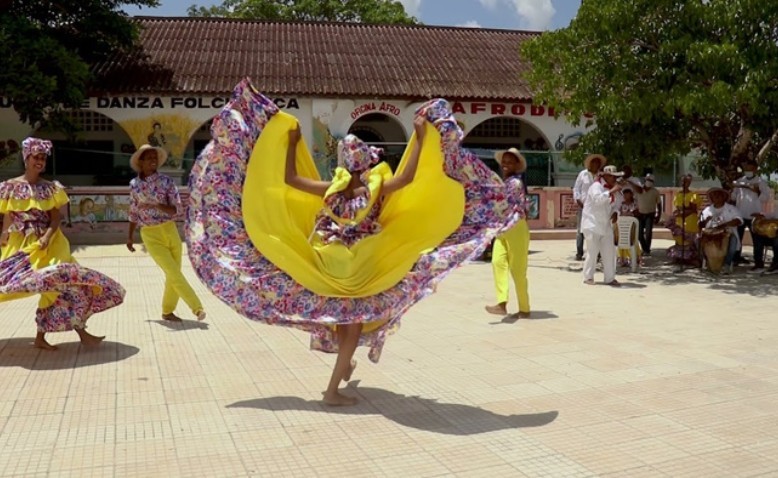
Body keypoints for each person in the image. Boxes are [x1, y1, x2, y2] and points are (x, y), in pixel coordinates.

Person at [185, 80, 516, 407]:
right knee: (353, 328)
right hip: (363, 268)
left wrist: (291, 142)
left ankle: (344, 368)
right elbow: (409, 178)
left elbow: (289, 179)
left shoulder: (331, 188)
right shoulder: (374, 189)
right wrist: (418, 135)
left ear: (344, 162)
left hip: (328, 263)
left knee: (346, 326)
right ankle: (332, 390)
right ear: (367, 162)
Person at [0, 138, 125, 350]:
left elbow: (55, 218)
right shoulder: (9, 187)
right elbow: (8, 218)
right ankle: (68, 335)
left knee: (64, 284)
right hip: (22, 248)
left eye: (43, 157)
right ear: (26, 158)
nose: (40, 161)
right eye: (36, 157)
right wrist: (3, 238)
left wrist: (47, 238)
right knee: (7, 285)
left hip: (50, 244)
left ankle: (71, 334)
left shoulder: (50, 188)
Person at [127, 145, 206, 323]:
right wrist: (130, 236)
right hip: (150, 234)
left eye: (155, 157)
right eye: (149, 157)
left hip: (170, 230)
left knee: (173, 273)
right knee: (173, 272)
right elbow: (133, 211)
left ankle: (167, 311)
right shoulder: (134, 185)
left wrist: (157, 205)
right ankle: (197, 307)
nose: (153, 160)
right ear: (141, 161)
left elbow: (175, 210)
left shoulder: (167, 182)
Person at [484, 148, 531, 318]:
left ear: (517, 165)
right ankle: (502, 303)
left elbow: (505, 206)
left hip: (515, 227)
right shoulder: (505, 182)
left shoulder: (515, 184)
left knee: (518, 271)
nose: (505, 164)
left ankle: (524, 309)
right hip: (503, 228)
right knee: (497, 262)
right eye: (504, 161)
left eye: (510, 162)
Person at [582, 165, 623, 286]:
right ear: (605, 176)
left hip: (605, 224)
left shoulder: (615, 189)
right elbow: (597, 200)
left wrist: (616, 212)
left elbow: (618, 204)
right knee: (592, 251)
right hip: (592, 223)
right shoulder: (596, 186)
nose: (615, 179)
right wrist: (611, 191)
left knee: (609, 251)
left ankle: (610, 278)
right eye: (612, 176)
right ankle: (588, 277)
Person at [730, 159, 770, 268]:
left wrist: (757, 191)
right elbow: (733, 197)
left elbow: (766, 198)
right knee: (738, 238)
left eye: (751, 169)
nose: (748, 170)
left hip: (754, 215)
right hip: (740, 214)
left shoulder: (761, 182)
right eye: (747, 168)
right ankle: (735, 259)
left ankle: (758, 263)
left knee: (757, 241)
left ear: (755, 169)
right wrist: (732, 189)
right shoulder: (739, 181)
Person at [698, 187, 743, 275]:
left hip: (727, 233)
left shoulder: (731, 209)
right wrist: (705, 221)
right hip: (710, 234)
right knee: (699, 240)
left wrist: (724, 225)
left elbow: (738, 220)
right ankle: (707, 262)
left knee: (733, 241)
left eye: (719, 195)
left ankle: (727, 264)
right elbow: (700, 224)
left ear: (724, 197)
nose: (716, 197)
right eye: (714, 195)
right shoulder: (707, 210)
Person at [573, 154, 606, 260]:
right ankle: (579, 252)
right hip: (583, 206)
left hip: (596, 207)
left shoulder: (602, 177)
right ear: (590, 163)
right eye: (594, 162)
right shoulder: (582, 174)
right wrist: (578, 199)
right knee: (580, 230)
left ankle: (598, 253)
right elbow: (576, 188)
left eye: (598, 163)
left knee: (597, 229)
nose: (596, 164)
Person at [667, 174, 700, 265]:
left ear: (689, 183)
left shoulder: (693, 195)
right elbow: (678, 207)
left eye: (686, 182)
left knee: (689, 240)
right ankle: (678, 258)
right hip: (680, 220)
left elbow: (693, 210)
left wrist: (683, 214)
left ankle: (691, 259)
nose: (684, 183)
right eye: (682, 181)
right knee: (679, 239)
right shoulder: (678, 195)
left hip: (690, 220)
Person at [636, 174, 662, 256]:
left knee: (648, 233)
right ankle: (645, 249)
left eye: (651, 181)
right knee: (639, 234)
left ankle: (647, 250)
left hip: (650, 214)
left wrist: (658, 216)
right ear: (645, 180)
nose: (649, 182)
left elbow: (659, 205)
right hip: (640, 214)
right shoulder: (639, 190)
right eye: (648, 180)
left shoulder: (655, 192)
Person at [617, 188, 641, 267]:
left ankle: (633, 258)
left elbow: (637, 213)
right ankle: (622, 259)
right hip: (622, 225)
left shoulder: (634, 204)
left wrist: (631, 214)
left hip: (632, 225)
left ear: (631, 194)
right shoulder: (621, 204)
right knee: (622, 240)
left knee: (632, 240)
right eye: (625, 194)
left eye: (628, 194)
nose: (626, 196)